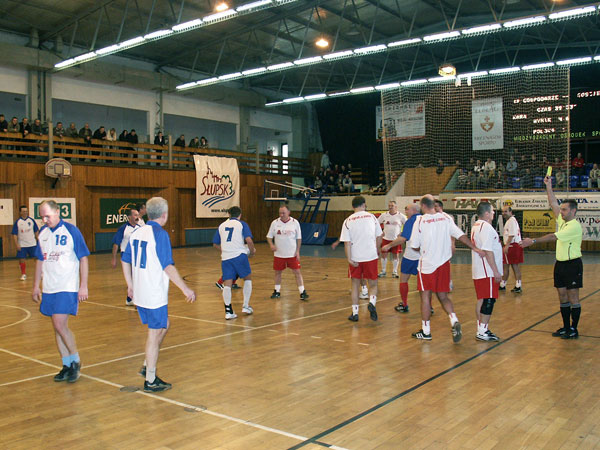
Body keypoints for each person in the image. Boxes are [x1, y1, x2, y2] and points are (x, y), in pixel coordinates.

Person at [121, 197, 196, 392]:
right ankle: (150, 379)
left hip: (141, 292)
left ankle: (148, 365)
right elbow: (167, 266)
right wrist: (185, 288)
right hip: (153, 292)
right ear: (164, 215)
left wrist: (130, 285)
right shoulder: (159, 234)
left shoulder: (137, 233)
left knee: (165, 325)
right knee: (154, 335)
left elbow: (125, 259)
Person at [409, 195, 484, 341]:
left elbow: (414, 245)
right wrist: (474, 248)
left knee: (425, 297)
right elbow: (461, 235)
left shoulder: (420, 221)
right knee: (443, 296)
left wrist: (426, 249)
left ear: (423, 206)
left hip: (427, 266)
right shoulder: (446, 218)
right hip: (443, 264)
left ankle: (425, 331)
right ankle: (454, 320)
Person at [31, 200, 90, 383]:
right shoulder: (43, 234)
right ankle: (66, 364)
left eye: (47, 215)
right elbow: (40, 260)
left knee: (59, 324)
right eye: (41, 216)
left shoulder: (71, 231)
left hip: (67, 285)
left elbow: (84, 259)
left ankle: (76, 361)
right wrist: (35, 285)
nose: (44, 219)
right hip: (50, 286)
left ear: (58, 212)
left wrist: (84, 285)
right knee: (56, 328)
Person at [521, 176, 583, 339]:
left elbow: (552, 237)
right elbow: (553, 203)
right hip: (560, 264)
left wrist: (533, 241)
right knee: (562, 295)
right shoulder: (562, 221)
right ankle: (566, 326)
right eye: (561, 210)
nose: (560, 212)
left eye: (564, 210)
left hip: (573, 265)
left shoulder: (574, 226)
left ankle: (574, 329)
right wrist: (549, 186)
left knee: (573, 297)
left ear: (573, 211)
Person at [339, 196, 382, 322]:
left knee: (355, 285)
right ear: (364, 205)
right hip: (370, 255)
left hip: (356, 256)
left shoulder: (348, 220)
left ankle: (355, 313)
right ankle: (372, 303)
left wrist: (349, 259)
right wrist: (377, 249)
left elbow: (347, 243)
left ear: (353, 207)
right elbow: (379, 236)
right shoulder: (372, 217)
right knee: (373, 284)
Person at [213, 206, 256, 319]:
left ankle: (228, 311)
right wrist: (251, 252)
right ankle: (245, 306)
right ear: (240, 215)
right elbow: (249, 241)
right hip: (239, 256)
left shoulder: (221, 226)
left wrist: (226, 249)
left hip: (226, 257)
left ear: (229, 214)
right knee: (247, 278)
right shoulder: (241, 224)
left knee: (227, 283)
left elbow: (215, 244)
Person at [471, 202, 503, 341]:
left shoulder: (476, 226)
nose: (494, 213)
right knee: (489, 300)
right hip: (487, 270)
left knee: (482, 299)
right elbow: (488, 250)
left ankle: (481, 328)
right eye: (492, 211)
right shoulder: (486, 227)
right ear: (487, 214)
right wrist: (496, 271)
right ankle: (483, 331)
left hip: (480, 269)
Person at [382, 203, 421, 313]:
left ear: (413, 210)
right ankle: (429, 306)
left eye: (407, 209)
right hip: (423, 256)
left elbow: (403, 239)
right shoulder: (425, 219)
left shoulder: (411, 221)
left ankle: (404, 304)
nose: (406, 212)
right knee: (423, 282)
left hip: (411, 255)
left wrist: (389, 245)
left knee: (404, 280)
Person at [266, 204, 309, 300]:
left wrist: (297, 251)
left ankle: (302, 292)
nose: (281, 215)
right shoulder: (275, 223)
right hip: (279, 254)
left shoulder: (295, 223)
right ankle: (277, 291)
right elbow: (269, 236)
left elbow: (299, 238)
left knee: (297, 272)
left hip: (292, 254)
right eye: (280, 213)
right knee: (277, 272)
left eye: (283, 213)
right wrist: (271, 244)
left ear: (289, 212)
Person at [111, 207, 140, 305]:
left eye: (138, 215)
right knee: (132, 277)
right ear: (129, 217)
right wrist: (114, 258)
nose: (137, 217)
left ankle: (130, 298)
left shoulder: (139, 228)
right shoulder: (123, 228)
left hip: (137, 256)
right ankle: (132, 299)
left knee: (136, 277)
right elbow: (116, 243)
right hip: (126, 256)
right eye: (135, 215)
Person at [377, 201, 406, 278]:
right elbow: (376, 223)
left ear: (396, 207)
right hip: (385, 239)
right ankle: (383, 271)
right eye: (389, 205)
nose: (390, 207)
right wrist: (380, 232)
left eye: (392, 205)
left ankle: (395, 271)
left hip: (395, 240)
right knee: (384, 255)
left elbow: (407, 225)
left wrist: (402, 233)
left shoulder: (401, 216)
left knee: (395, 255)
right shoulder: (384, 215)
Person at [12, 205, 39, 280]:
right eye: (23, 211)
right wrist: (17, 244)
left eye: (26, 211)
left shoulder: (31, 221)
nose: (25, 213)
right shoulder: (17, 222)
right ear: (20, 212)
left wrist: (39, 241)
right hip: (22, 244)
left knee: (36, 258)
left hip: (32, 244)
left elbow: (36, 231)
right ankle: (23, 274)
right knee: (21, 259)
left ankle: (40, 273)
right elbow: (14, 234)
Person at [500, 206, 523, 293]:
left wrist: (507, 245)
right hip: (514, 245)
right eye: (502, 211)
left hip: (512, 246)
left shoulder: (511, 221)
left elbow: (512, 234)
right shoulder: (511, 221)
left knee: (507, 265)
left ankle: (504, 284)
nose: (504, 213)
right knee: (513, 266)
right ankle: (516, 285)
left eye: (506, 211)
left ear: (510, 212)